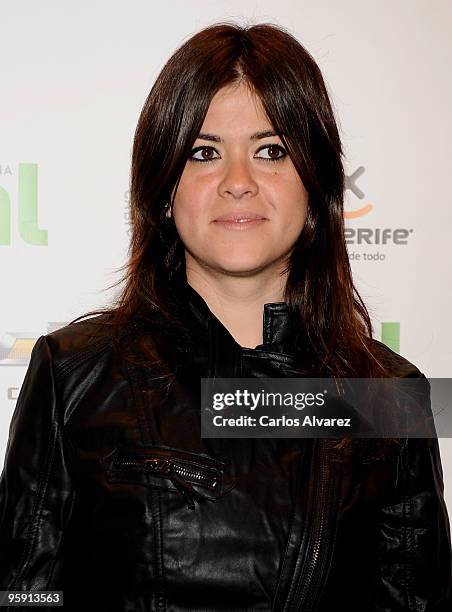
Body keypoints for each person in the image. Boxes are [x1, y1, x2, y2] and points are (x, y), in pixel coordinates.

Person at [0, 21, 451, 612]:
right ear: (165, 188)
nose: (238, 182)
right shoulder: (76, 375)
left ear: (316, 187)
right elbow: (26, 596)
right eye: (204, 153)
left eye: (271, 151)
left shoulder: (387, 397)